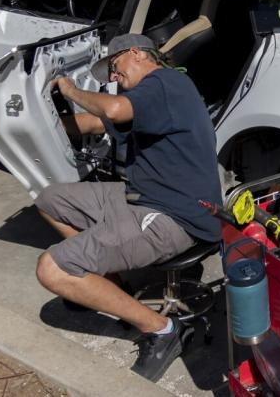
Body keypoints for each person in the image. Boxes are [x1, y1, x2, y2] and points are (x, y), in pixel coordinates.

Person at [33, 33, 222, 381]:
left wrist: (71, 90)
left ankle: (163, 330)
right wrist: (35, 121)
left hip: (176, 215)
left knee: (52, 269)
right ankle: (112, 288)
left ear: (136, 52)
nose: (112, 77)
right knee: (48, 200)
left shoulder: (166, 81)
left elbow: (112, 109)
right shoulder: (146, 99)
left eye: (115, 66)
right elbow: (93, 122)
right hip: (141, 195)